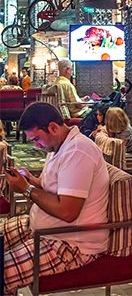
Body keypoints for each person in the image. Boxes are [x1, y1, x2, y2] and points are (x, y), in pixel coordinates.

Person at [2, 102, 109, 294]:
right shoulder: (58, 145)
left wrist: (26, 189)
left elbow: (67, 212)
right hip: (47, 229)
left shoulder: (77, 151)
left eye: (36, 139)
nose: (36, 145)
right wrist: (32, 181)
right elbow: (55, 189)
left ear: (53, 127)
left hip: (71, 245)